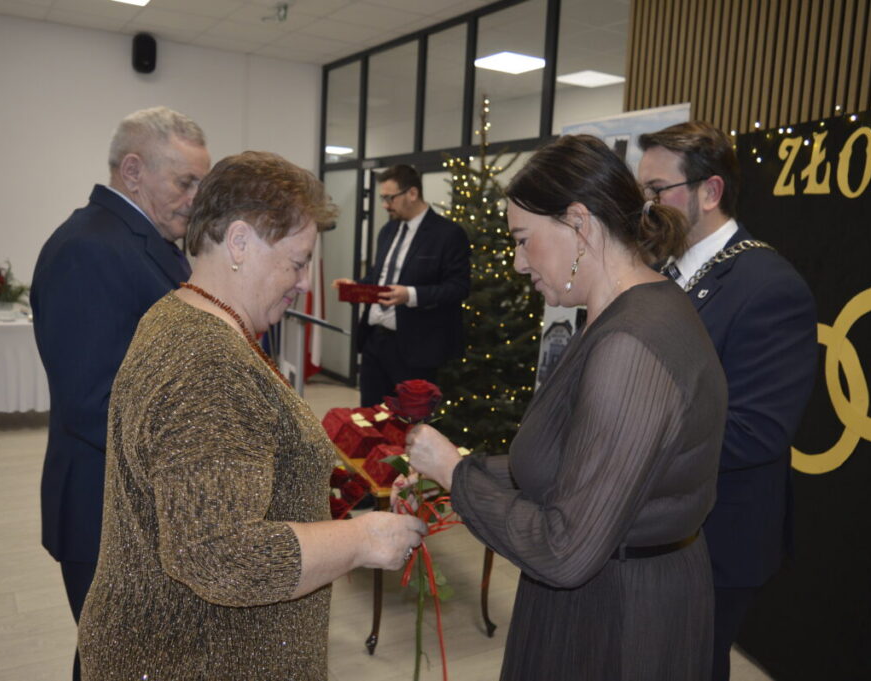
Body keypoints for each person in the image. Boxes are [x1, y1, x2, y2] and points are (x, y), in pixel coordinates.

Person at [77, 151, 427, 680]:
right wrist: (364, 540)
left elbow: (244, 473)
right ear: (239, 243)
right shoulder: (207, 362)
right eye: (297, 260)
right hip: (194, 657)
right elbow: (221, 555)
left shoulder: (188, 318)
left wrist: (348, 500)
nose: (305, 282)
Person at [396, 134, 728, 680]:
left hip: (613, 621)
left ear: (579, 223)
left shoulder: (631, 346)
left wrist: (458, 475)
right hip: (619, 596)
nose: (520, 263)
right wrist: (454, 468)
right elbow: (579, 462)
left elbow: (565, 551)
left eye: (525, 241)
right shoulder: (629, 312)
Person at [30, 106, 210, 680]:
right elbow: (94, 402)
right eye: (186, 182)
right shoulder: (92, 247)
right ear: (133, 171)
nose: (196, 198)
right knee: (118, 660)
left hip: (129, 503)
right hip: (103, 510)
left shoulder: (134, 239)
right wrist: (205, 448)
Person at [637, 121, 818, 680]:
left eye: (657, 191)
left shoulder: (769, 284)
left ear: (708, 193)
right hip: (662, 526)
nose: (644, 207)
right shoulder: (665, 268)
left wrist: (632, 440)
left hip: (719, 540)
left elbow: (757, 432)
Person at [334, 164, 471, 407]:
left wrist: (410, 295)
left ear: (412, 193)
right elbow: (379, 277)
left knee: (409, 420)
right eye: (382, 198)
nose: (385, 205)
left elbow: (459, 287)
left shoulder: (447, 234)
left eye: (389, 198)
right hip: (375, 341)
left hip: (415, 347)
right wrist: (355, 286)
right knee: (371, 416)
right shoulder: (388, 230)